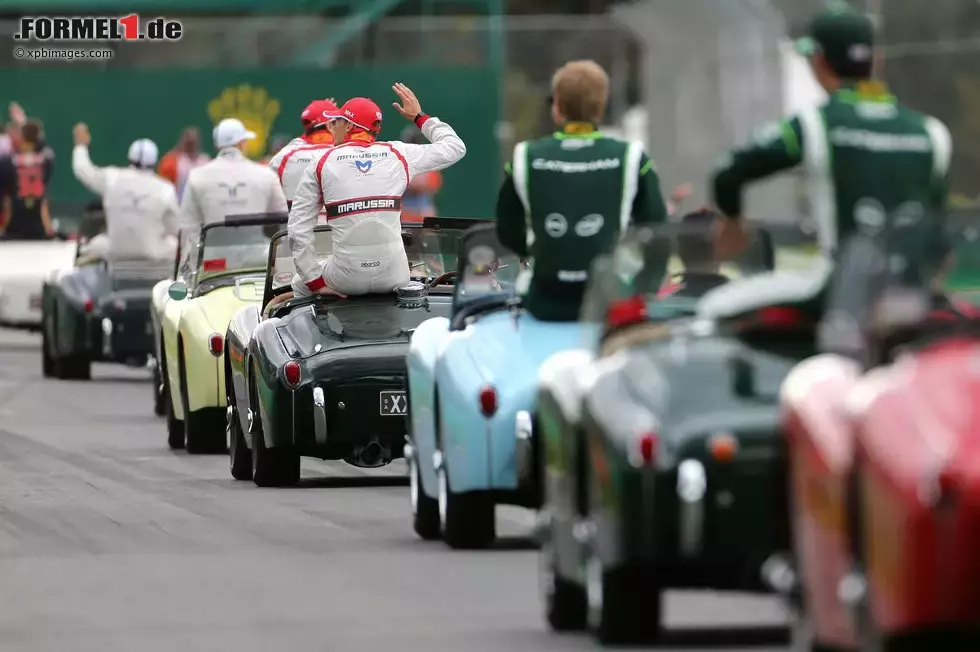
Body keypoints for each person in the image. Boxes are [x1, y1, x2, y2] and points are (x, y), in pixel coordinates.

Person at [711, 4, 951, 274]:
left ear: (819, 61)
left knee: (716, 306)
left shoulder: (815, 123)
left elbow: (727, 173)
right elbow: (939, 234)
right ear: (877, 59)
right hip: (910, 296)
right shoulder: (931, 132)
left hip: (839, 295)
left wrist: (732, 224)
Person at [495, 59, 670, 321]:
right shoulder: (632, 157)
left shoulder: (525, 156)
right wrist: (643, 292)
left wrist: (544, 249)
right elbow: (658, 235)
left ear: (557, 106)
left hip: (543, 304)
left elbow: (507, 230)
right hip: (607, 309)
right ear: (600, 106)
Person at [287, 83, 466, 298]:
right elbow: (456, 148)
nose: (333, 127)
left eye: (338, 122)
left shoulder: (321, 161)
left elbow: (298, 230)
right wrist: (419, 116)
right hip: (395, 276)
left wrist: (315, 283)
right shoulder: (397, 153)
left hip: (346, 280)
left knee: (299, 282)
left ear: (350, 126)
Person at [179, 118, 287, 273]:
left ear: (217, 145)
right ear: (242, 143)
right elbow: (283, 221)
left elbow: (188, 229)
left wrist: (191, 267)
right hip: (258, 261)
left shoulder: (197, 176)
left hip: (214, 264)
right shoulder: (265, 174)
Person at [70, 123, 180, 263]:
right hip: (153, 257)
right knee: (175, 243)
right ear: (155, 162)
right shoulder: (165, 189)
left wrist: (80, 145)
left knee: (94, 244)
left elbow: (82, 170)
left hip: (114, 253)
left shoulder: (112, 178)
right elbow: (176, 229)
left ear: (129, 158)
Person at [268, 98, 337, 212]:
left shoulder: (284, 156)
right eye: (339, 121)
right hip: (339, 228)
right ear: (331, 125)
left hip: (292, 228)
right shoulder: (344, 152)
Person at [0, 120, 56, 240]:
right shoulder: (45, 161)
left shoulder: (8, 163)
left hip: (13, 228)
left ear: (21, 138)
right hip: (38, 227)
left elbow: (5, 198)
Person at [398, 125, 444, 223]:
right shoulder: (398, 163)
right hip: (403, 211)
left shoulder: (428, 162)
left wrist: (413, 187)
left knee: (430, 232)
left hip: (422, 209)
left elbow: (432, 188)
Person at [157, 127, 210, 202]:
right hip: (179, 206)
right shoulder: (172, 161)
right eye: (189, 142)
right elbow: (163, 187)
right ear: (183, 141)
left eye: (193, 142)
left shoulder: (205, 161)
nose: (191, 146)